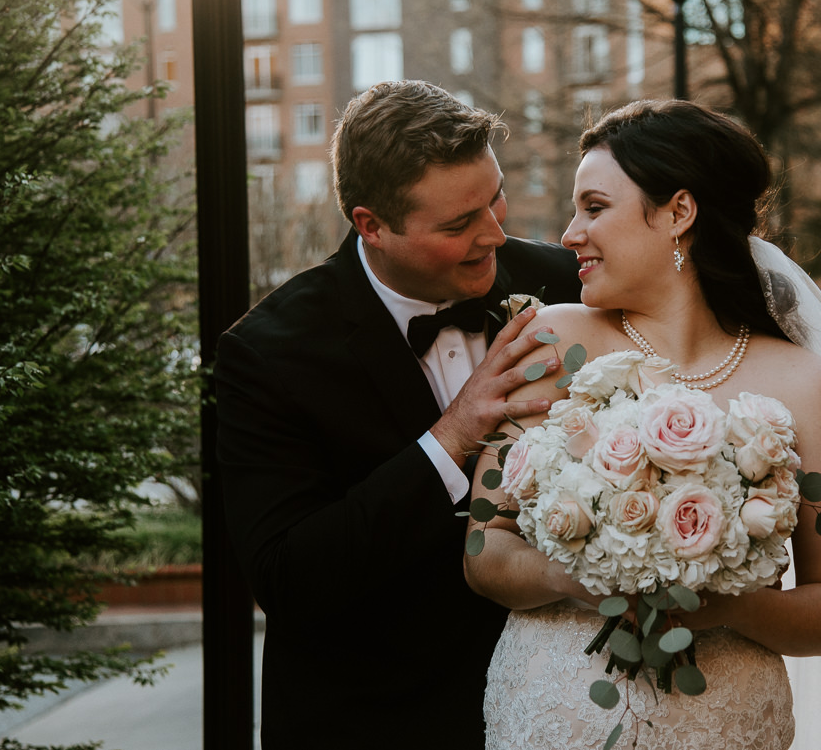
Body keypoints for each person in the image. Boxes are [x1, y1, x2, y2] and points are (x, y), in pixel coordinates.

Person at [464, 100, 821, 749]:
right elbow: (481, 550)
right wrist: (582, 576)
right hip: (551, 713)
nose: (570, 232)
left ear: (679, 213)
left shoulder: (808, 387)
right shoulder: (545, 346)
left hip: (723, 719)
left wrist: (724, 603)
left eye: (595, 207)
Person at [213, 80, 582, 748]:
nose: (494, 233)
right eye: (458, 224)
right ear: (371, 225)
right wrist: (451, 437)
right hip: (372, 722)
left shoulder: (569, 285)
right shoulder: (266, 354)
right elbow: (287, 577)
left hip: (559, 709)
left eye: (493, 197)